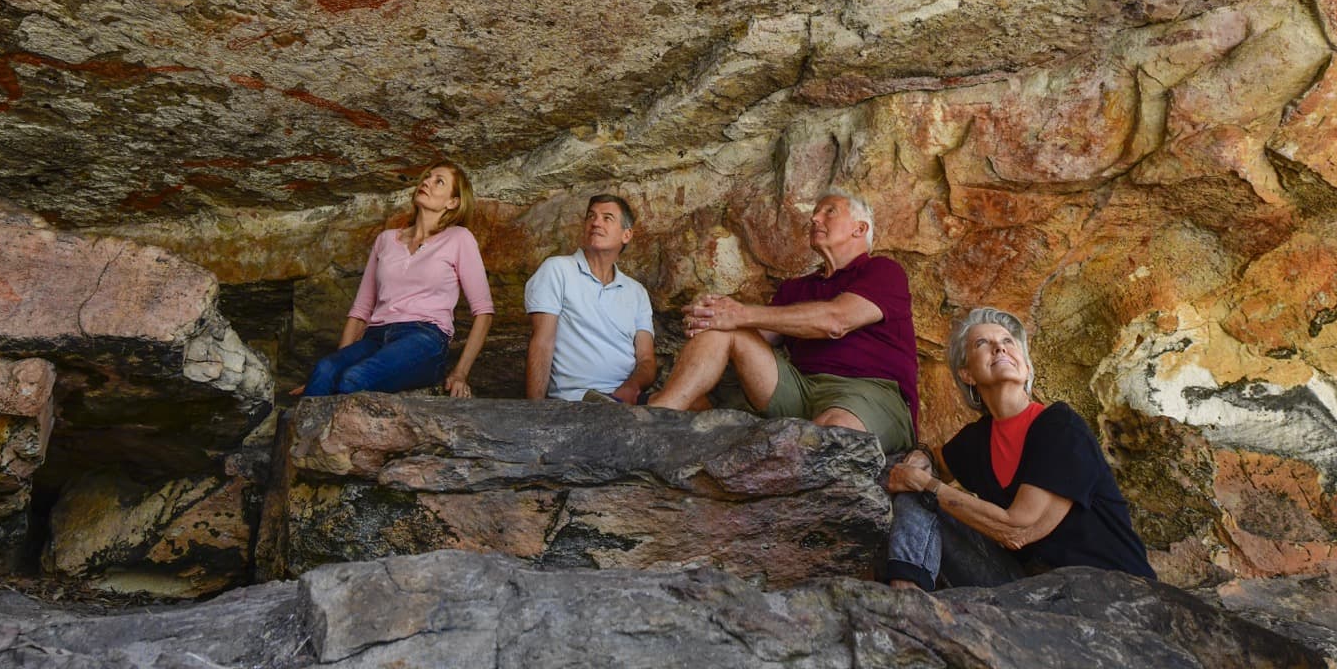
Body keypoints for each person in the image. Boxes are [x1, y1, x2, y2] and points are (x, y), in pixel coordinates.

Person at [882, 307, 1155, 590]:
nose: (1000, 347)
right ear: (967, 374)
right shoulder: (977, 440)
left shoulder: (1061, 427)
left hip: (1113, 590)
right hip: (1028, 587)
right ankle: (907, 593)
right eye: (982, 343)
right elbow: (935, 460)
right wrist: (921, 457)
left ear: (1026, 367)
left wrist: (927, 485)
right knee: (910, 486)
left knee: (922, 487)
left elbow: (1017, 530)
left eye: (1008, 341)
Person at [646, 193, 917, 454]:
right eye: (815, 213)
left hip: (869, 392)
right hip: (801, 389)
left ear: (860, 228)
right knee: (721, 327)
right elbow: (755, 335)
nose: (815, 219)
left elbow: (836, 321)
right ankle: (654, 416)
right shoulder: (796, 288)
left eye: (829, 211)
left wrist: (739, 313)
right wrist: (708, 316)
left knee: (831, 434)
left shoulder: (883, 271)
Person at [302, 163, 494, 399]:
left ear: (452, 202)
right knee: (323, 369)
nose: (427, 182)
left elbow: (484, 312)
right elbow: (361, 309)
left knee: (354, 377)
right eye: (427, 177)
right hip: (376, 336)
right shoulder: (386, 240)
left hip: (424, 338)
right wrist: (335, 368)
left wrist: (460, 373)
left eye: (439, 181)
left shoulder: (459, 239)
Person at [524, 194, 657, 402]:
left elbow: (646, 359)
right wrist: (536, 411)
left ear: (626, 235)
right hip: (577, 400)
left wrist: (631, 387)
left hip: (622, 397)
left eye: (607, 218)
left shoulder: (637, 292)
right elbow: (542, 342)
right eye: (591, 216)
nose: (596, 222)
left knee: (697, 402)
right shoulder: (557, 269)